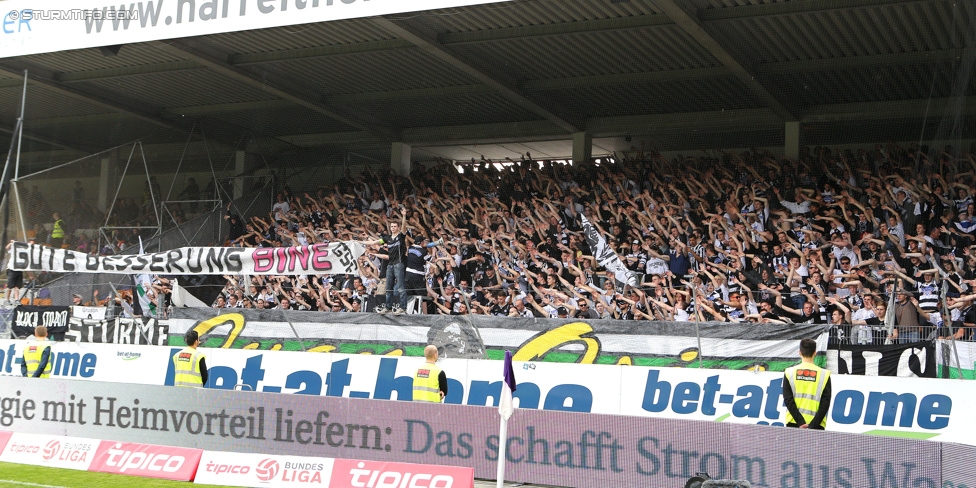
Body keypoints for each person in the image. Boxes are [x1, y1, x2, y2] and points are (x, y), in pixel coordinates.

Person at [782, 338, 831, 430]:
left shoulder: (789, 372)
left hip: (794, 422)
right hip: (817, 424)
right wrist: (813, 425)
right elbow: (825, 403)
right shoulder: (824, 374)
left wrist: (800, 422)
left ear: (800, 352)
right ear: (815, 353)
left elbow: (788, 399)